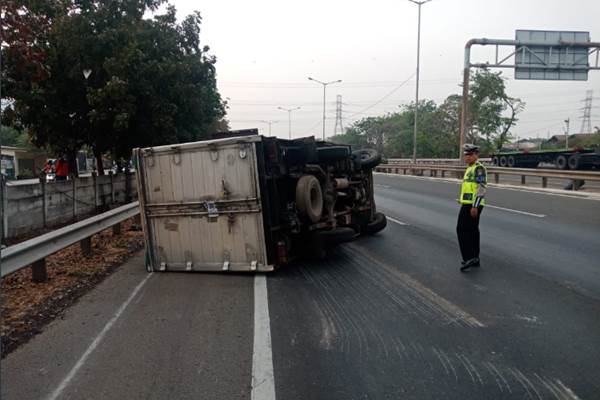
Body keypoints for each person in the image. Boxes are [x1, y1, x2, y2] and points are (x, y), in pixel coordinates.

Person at [457, 144, 487, 272]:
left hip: (473, 205)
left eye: (470, 155)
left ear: (476, 155)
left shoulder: (479, 168)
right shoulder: (470, 168)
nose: (467, 157)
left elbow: (481, 188)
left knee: (463, 229)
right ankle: (474, 258)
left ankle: (469, 257)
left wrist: (475, 206)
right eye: (466, 155)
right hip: (468, 203)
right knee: (472, 230)